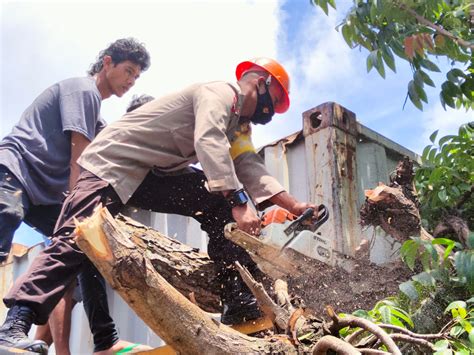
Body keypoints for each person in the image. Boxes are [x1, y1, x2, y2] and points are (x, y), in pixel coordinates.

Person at [0, 57, 317, 354]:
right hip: (110, 162)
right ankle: (14, 326)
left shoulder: (239, 126)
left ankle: (237, 303)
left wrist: (296, 205)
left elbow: (249, 166)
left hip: (148, 175)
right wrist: (238, 200)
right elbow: (208, 140)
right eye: (275, 101)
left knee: (214, 204)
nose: (273, 111)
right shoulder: (221, 94)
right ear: (260, 82)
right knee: (74, 238)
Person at [0, 38, 150, 354]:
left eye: (136, 77)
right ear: (107, 62)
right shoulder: (82, 90)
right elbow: (79, 158)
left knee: (82, 246)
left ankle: (105, 341)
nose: (130, 81)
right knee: (7, 220)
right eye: (128, 71)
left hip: (42, 194)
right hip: (15, 170)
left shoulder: (97, 117)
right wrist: (78, 208)